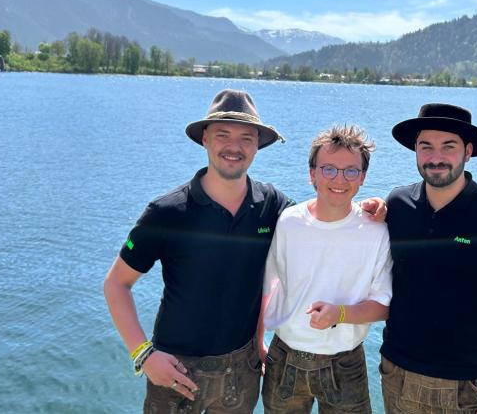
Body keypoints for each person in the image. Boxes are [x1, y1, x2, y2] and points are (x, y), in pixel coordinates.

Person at [103, 90, 385, 414]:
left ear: (257, 146)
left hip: (243, 368)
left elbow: (323, 215)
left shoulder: (272, 206)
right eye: (223, 135)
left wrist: (373, 208)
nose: (234, 147)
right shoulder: (167, 212)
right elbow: (116, 284)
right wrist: (143, 354)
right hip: (176, 368)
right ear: (205, 139)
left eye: (246, 138)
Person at [380, 103, 477, 414]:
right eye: (426, 146)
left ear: (468, 151)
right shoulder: (396, 205)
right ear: (415, 150)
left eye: (448, 147)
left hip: (466, 385)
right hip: (397, 372)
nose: (435, 157)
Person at [261, 125, 393, 414]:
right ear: (312, 174)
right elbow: (269, 286)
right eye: (329, 169)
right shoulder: (288, 222)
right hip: (284, 358)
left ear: (362, 178)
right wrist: (259, 339)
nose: (339, 179)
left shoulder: (377, 230)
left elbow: (384, 306)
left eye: (350, 171)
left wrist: (340, 314)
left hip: (345, 363)